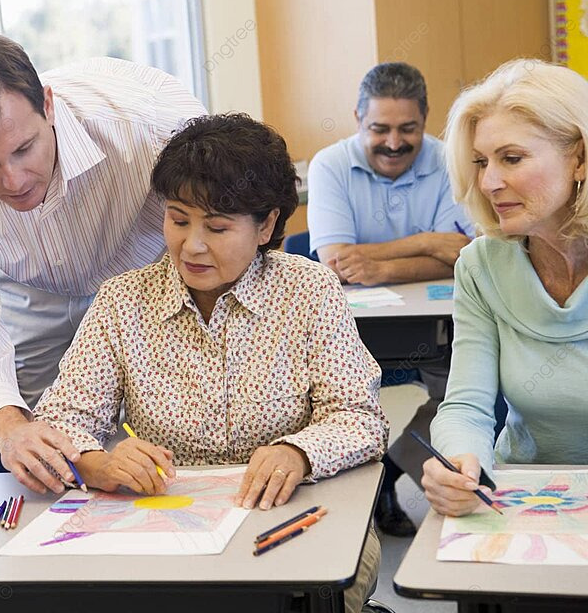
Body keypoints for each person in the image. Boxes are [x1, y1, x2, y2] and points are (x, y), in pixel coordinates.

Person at [34, 114, 387, 613]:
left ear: (266, 225)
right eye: (178, 220)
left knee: (316, 591)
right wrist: (99, 463)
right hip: (168, 526)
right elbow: (60, 422)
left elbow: (360, 418)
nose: (192, 245)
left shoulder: (309, 291)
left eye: (217, 227)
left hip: (291, 512)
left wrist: (298, 452)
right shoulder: (122, 302)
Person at [0, 33, 206, 491]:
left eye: (24, 149)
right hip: (31, 291)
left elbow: (219, 233)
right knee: (47, 453)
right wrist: (9, 427)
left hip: (148, 275)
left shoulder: (154, 123)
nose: (13, 180)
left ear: (47, 104)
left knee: (173, 434)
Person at [307, 62, 473, 536]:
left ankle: (389, 472)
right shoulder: (329, 165)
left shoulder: (450, 161)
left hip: (438, 320)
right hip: (347, 326)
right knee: (335, 403)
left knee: (461, 397)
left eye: (408, 129)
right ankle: (347, 491)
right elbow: (336, 261)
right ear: (358, 118)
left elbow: (463, 255)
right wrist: (427, 243)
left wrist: (378, 265)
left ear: (425, 120)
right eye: (380, 129)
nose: (394, 143)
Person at [425, 59, 588, 516]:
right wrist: (461, 462)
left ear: (579, 159)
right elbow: (466, 406)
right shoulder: (482, 266)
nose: (488, 182)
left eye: (511, 158)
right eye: (481, 162)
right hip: (522, 497)